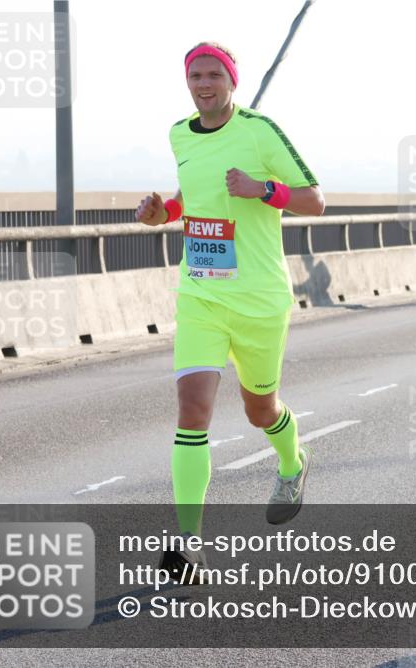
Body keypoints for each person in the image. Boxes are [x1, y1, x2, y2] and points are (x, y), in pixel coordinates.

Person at [135, 42, 325, 577]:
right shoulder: (179, 134)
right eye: (195, 75)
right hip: (201, 294)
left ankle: (292, 462)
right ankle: (188, 544)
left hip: (259, 300)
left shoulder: (259, 131)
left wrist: (263, 189)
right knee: (193, 410)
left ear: (232, 81)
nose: (204, 84)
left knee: (259, 410)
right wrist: (162, 213)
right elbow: (190, 199)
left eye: (214, 75)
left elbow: (315, 200)